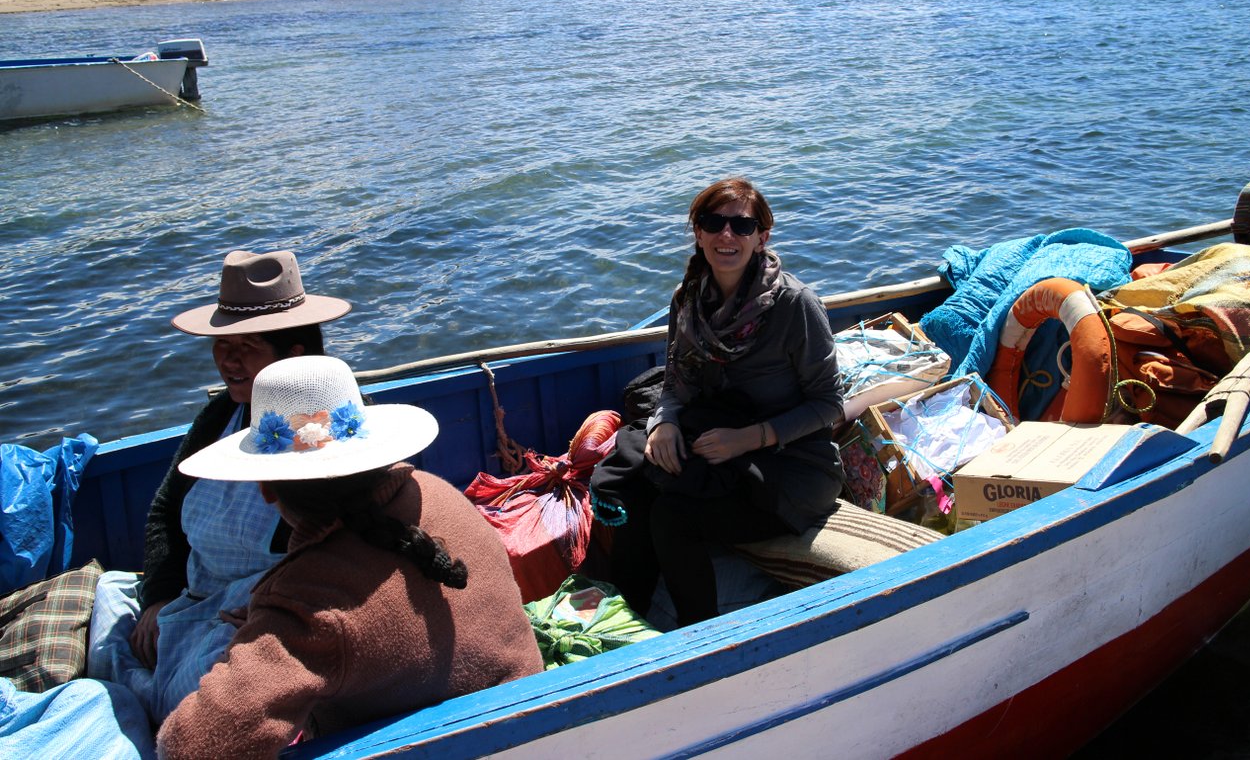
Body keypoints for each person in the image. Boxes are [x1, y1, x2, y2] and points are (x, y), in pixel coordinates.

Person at [155, 356, 543, 758]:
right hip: (533, 731)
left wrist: (266, 634)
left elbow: (187, 746)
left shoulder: (308, 605)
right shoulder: (436, 492)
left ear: (267, 490)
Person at [87, 250, 351, 723]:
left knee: (196, 698)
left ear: (293, 357)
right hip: (195, 592)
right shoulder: (218, 419)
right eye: (220, 344)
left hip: (259, 607)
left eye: (246, 346)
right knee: (109, 589)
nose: (226, 359)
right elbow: (165, 511)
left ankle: (138, 707)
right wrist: (159, 599)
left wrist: (268, 610)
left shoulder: (328, 427)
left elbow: (342, 547)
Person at [591, 177, 844, 627]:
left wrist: (750, 438)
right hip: (717, 446)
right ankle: (628, 618)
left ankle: (697, 639)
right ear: (699, 232)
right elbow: (675, 384)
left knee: (673, 516)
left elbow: (829, 404)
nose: (727, 235)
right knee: (635, 487)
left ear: (761, 236)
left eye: (742, 226)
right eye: (714, 223)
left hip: (792, 465)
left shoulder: (794, 305)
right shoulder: (688, 300)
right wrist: (664, 424)